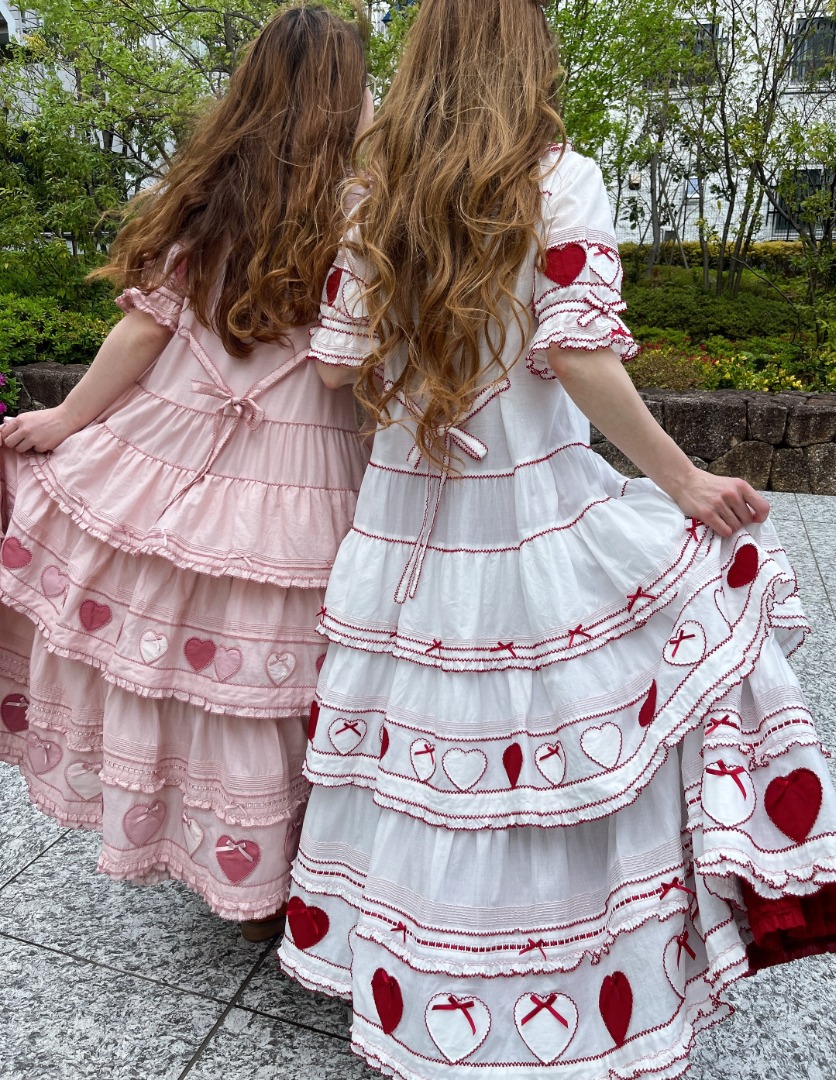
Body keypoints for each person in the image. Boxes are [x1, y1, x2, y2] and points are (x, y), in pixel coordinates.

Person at [278, 0, 836, 1073]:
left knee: (422, 754)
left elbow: (339, 366)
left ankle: (418, 981)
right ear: (525, 57)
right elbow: (577, 355)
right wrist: (682, 482)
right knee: (543, 742)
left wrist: (419, 364)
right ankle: (562, 991)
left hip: (402, 522)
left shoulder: (373, 193)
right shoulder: (555, 180)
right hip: (525, 510)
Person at [0, 3, 371, 940]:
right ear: (345, 95)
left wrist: (69, 419)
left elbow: (144, 329)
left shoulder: (216, 194)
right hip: (305, 467)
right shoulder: (369, 205)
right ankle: (281, 873)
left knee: (188, 665)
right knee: (272, 681)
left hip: (183, 447)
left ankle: (230, 865)